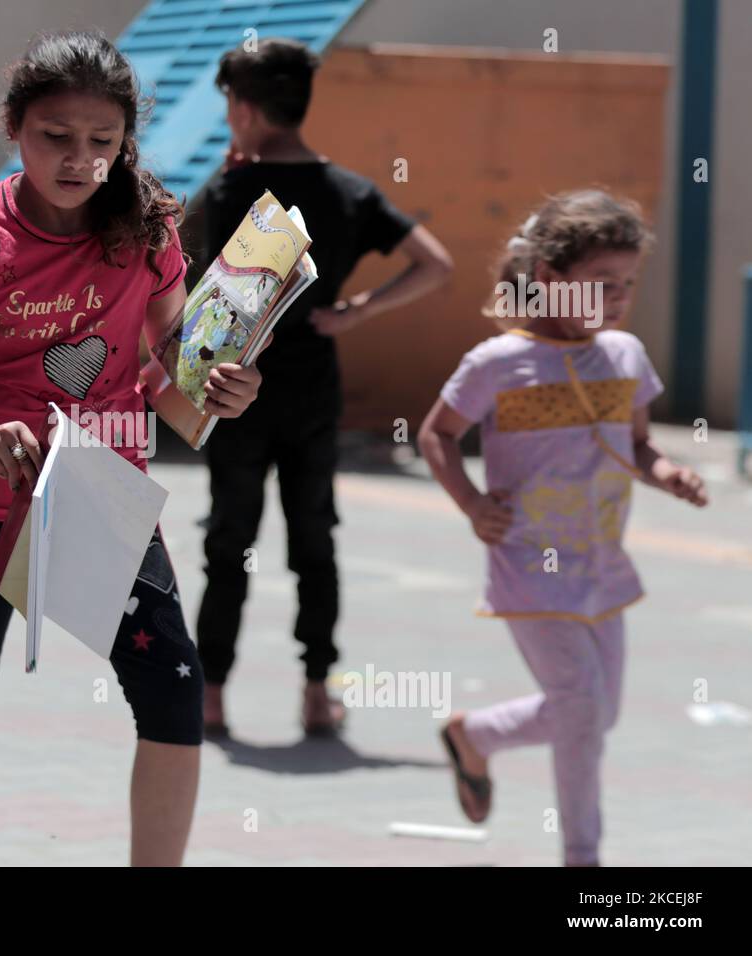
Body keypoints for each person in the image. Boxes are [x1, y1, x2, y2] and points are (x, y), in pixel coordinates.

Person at [0, 30, 266, 867]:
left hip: (104, 502)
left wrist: (222, 393)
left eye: (102, 141)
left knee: (171, 694)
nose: (79, 159)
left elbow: (170, 371)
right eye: (56, 136)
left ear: (126, 141)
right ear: (15, 128)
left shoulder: (150, 228)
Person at [418, 189, 708, 866]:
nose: (617, 299)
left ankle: (475, 736)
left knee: (599, 715)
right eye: (601, 284)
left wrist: (669, 473)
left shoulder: (627, 356)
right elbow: (436, 434)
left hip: (604, 566)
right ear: (549, 279)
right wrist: (470, 503)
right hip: (527, 565)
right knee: (580, 711)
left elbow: (637, 446)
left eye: (628, 284)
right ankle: (584, 858)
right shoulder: (497, 363)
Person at [196, 38, 453, 735]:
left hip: (233, 393)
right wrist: (357, 311)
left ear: (244, 109)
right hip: (314, 394)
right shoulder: (350, 191)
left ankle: (210, 692)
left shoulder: (227, 191)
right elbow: (436, 264)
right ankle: (317, 691)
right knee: (315, 543)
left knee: (229, 540)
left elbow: (191, 289)